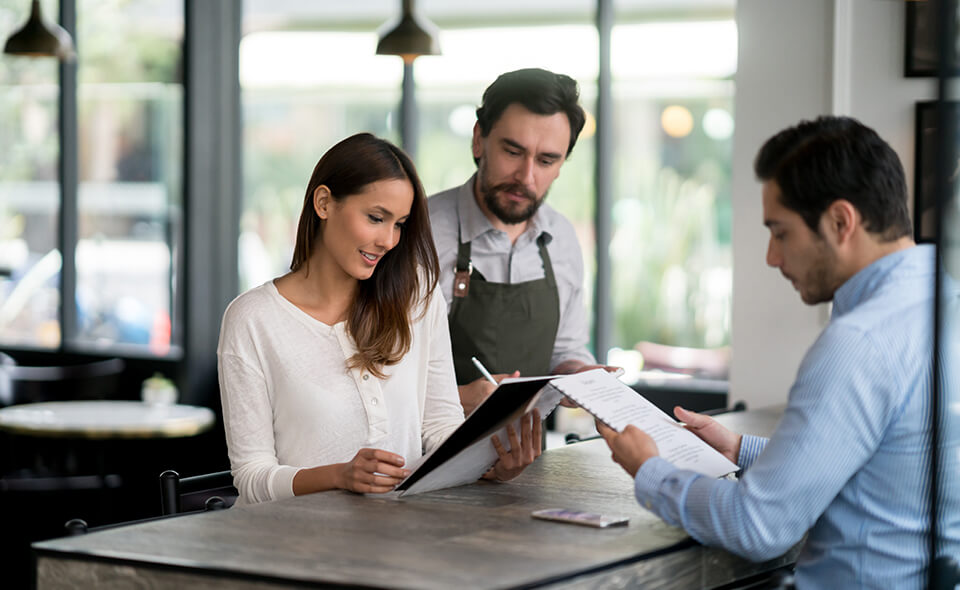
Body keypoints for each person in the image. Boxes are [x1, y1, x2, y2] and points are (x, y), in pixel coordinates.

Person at [598, 116, 960, 588]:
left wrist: (648, 470)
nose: (772, 256)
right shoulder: (945, 304)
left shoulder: (858, 344)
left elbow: (758, 526)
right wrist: (742, 449)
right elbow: (894, 462)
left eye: (781, 232)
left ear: (839, 221)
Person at [218, 133, 541, 504]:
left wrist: (494, 467)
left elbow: (439, 427)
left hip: (397, 538)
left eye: (400, 224)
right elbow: (252, 477)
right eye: (376, 218)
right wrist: (340, 475)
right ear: (324, 203)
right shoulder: (253, 319)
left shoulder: (417, 295)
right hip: (294, 546)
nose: (389, 240)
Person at [429, 68, 609, 415]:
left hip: (530, 458)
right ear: (478, 139)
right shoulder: (423, 236)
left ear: (561, 165)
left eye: (546, 160)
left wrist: (578, 374)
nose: (526, 177)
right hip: (431, 456)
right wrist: (463, 397)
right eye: (513, 151)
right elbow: (384, 375)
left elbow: (564, 351)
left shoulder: (561, 239)